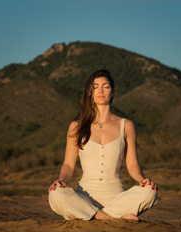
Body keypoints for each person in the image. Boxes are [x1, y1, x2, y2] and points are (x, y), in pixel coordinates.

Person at [48, 69, 158, 221]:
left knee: (150, 191)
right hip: (84, 197)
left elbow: (132, 163)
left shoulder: (126, 125)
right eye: (95, 86)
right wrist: (61, 181)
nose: (100, 90)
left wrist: (141, 180)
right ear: (90, 92)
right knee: (56, 194)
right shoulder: (76, 126)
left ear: (112, 92)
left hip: (117, 197)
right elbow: (68, 164)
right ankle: (113, 219)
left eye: (106, 86)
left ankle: (93, 216)